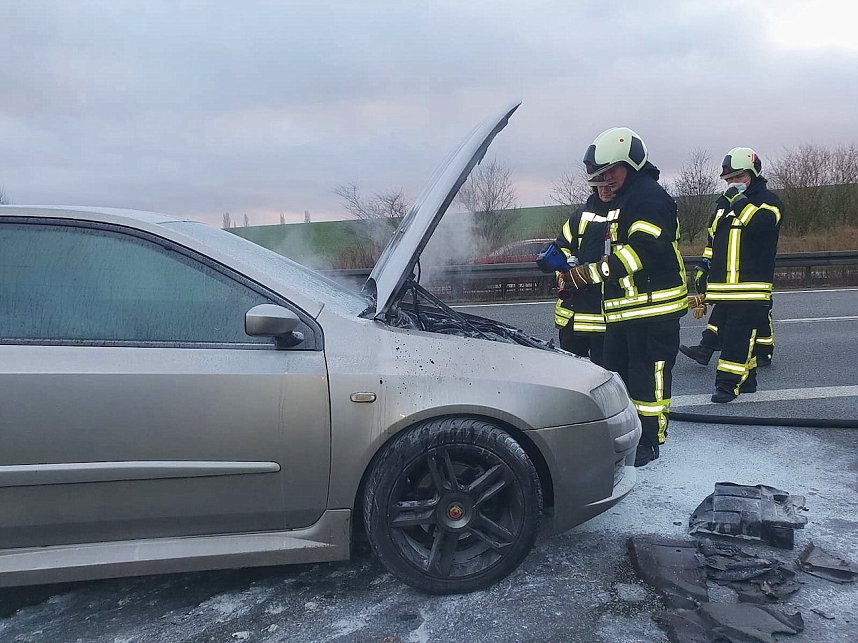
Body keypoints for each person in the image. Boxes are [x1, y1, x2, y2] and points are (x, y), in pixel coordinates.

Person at [562, 127, 688, 467]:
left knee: (649, 378)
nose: (604, 181)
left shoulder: (648, 197)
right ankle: (629, 431)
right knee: (619, 376)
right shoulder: (623, 199)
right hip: (623, 310)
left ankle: (650, 439)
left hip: (653, 308)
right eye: (598, 177)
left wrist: (591, 273)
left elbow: (643, 252)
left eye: (609, 173)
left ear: (629, 164)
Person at [689, 147, 783, 402]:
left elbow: (761, 225)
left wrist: (740, 203)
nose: (732, 183)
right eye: (729, 179)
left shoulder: (769, 201)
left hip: (750, 285)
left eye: (738, 178)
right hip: (722, 286)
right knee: (736, 335)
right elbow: (712, 239)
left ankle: (727, 385)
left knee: (737, 337)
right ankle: (748, 380)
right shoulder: (723, 204)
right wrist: (703, 267)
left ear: (752, 175)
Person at [552, 179, 613, 366]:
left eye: (609, 185)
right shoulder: (579, 216)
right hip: (572, 315)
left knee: (606, 377)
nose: (605, 189)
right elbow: (561, 248)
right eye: (600, 184)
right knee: (569, 376)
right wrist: (564, 273)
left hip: (606, 319)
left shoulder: (625, 215)